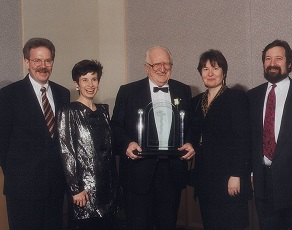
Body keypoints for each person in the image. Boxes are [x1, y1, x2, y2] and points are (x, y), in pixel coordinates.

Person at [111, 46, 195, 230]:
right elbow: (115, 126)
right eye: (157, 64)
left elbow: (190, 126)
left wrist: (189, 142)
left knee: (168, 225)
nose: (162, 68)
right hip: (138, 173)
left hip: (171, 173)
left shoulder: (183, 90)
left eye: (167, 64)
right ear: (146, 67)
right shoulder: (128, 91)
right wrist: (127, 144)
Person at [0, 37, 70, 229]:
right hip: (22, 189)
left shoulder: (63, 93)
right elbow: (2, 144)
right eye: (37, 60)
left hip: (55, 188)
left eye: (48, 60)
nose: (43, 66)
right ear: (26, 62)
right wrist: (19, 176)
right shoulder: (8, 95)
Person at [247, 39, 292, 230]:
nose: (272, 63)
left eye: (278, 58)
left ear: (289, 63)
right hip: (263, 186)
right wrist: (253, 173)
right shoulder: (252, 97)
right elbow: (250, 140)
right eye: (268, 59)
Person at [190, 49, 251, 230]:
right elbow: (193, 137)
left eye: (215, 68)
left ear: (224, 72)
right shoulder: (196, 102)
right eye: (205, 69)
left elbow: (243, 139)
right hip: (205, 180)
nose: (210, 73)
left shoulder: (236, 98)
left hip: (229, 178)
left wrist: (237, 175)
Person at [57, 60, 120, 230]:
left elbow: (108, 151)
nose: (90, 84)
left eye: (94, 79)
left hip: (108, 189)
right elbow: (66, 151)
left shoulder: (103, 111)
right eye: (84, 80)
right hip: (84, 192)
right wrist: (75, 188)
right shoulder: (68, 111)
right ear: (76, 84)